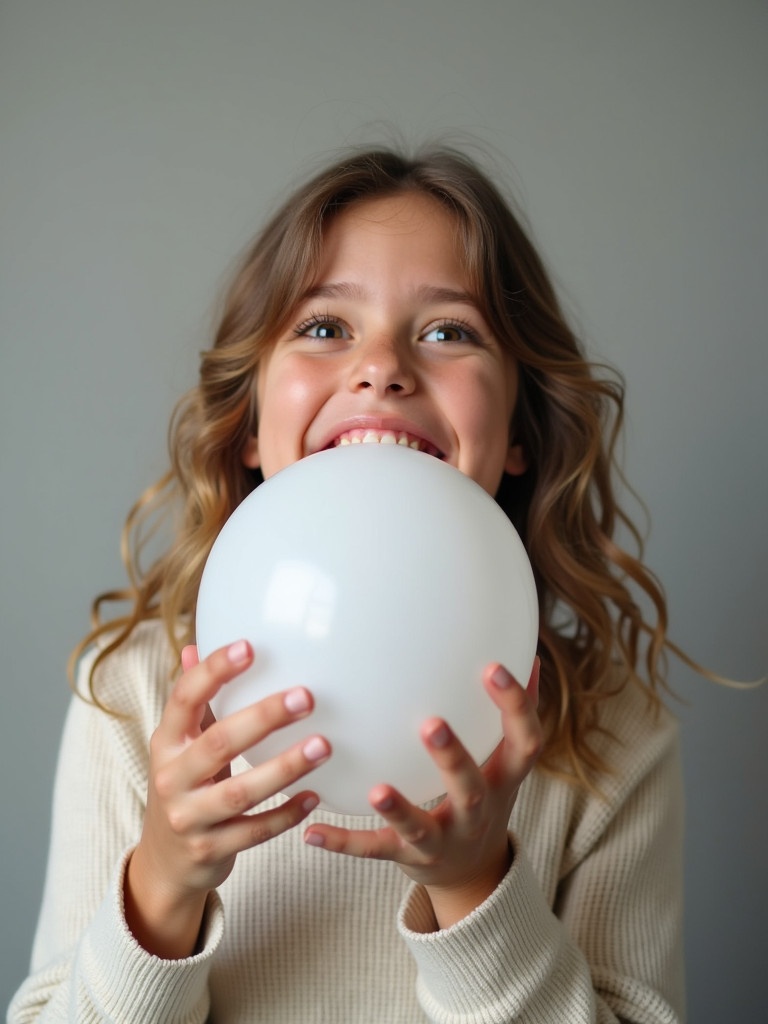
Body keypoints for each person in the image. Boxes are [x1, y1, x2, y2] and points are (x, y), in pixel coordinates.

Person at [9, 145, 689, 1023]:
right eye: (325, 327)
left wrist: (478, 889)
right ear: (249, 424)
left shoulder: (612, 730)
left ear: (519, 430)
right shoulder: (134, 697)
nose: (383, 368)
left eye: (449, 331)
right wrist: (162, 885)